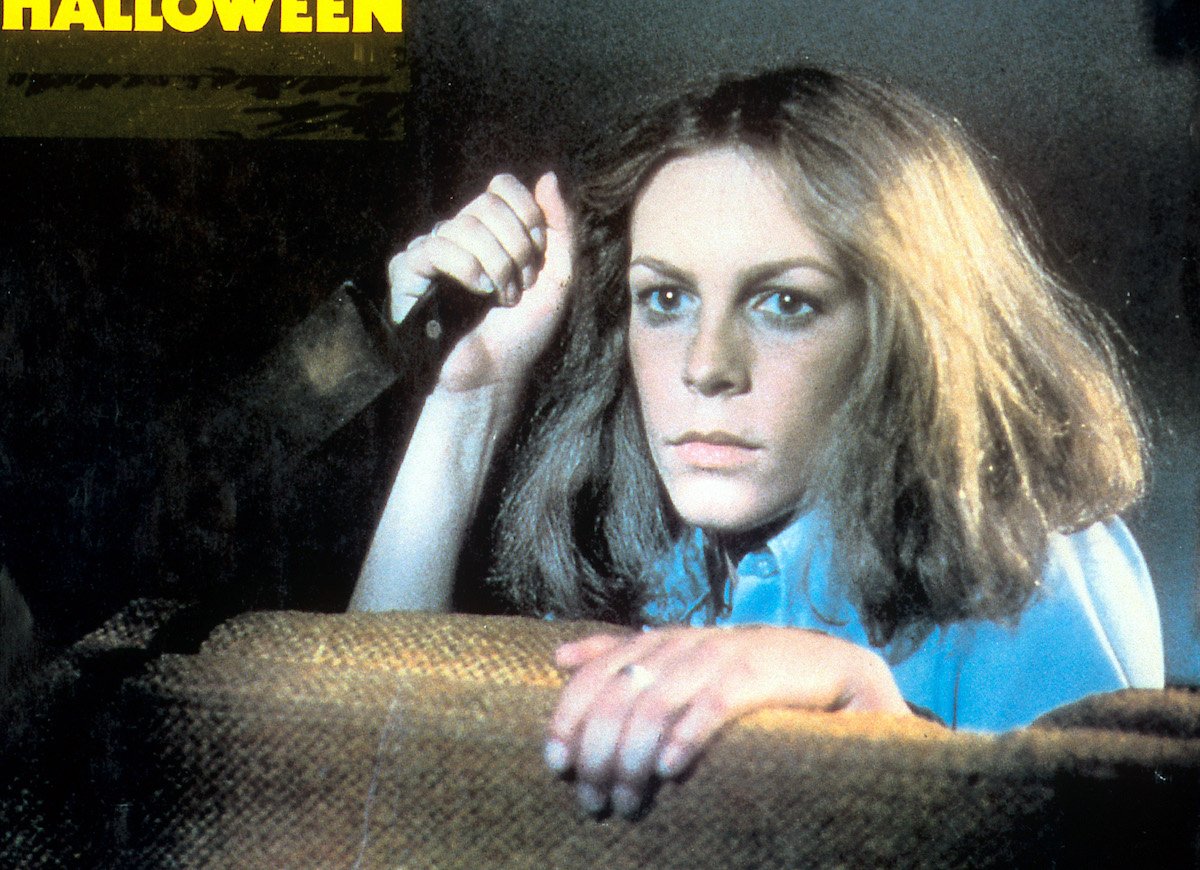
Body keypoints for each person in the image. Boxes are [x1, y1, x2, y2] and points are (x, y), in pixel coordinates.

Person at [351, 66, 1165, 819]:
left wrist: (881, 728)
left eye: (784, 304)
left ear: (904, 335)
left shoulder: (1032, 564)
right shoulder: (668, 558)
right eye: (665, 298)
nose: (706, 366)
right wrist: (469, 398)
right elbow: (356, 768)